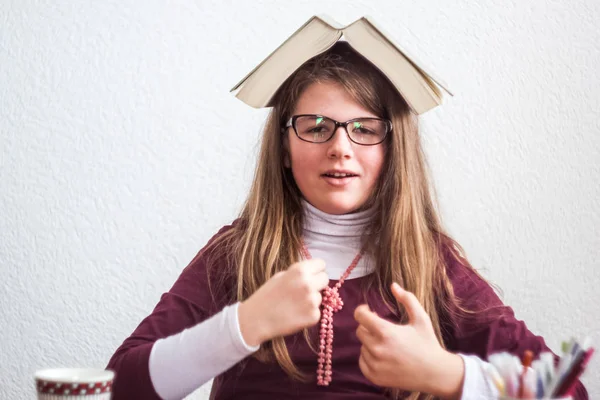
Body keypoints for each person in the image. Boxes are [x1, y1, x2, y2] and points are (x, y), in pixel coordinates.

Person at [106, 42, 588, 399]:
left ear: (393, 148)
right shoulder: (237, 252)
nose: (340, 146)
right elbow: (120, 386)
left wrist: (445, 373)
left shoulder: (431, 261)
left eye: (364, 129)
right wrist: (245, 324)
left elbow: (566, 389)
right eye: (315, 127)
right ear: (283, 145)